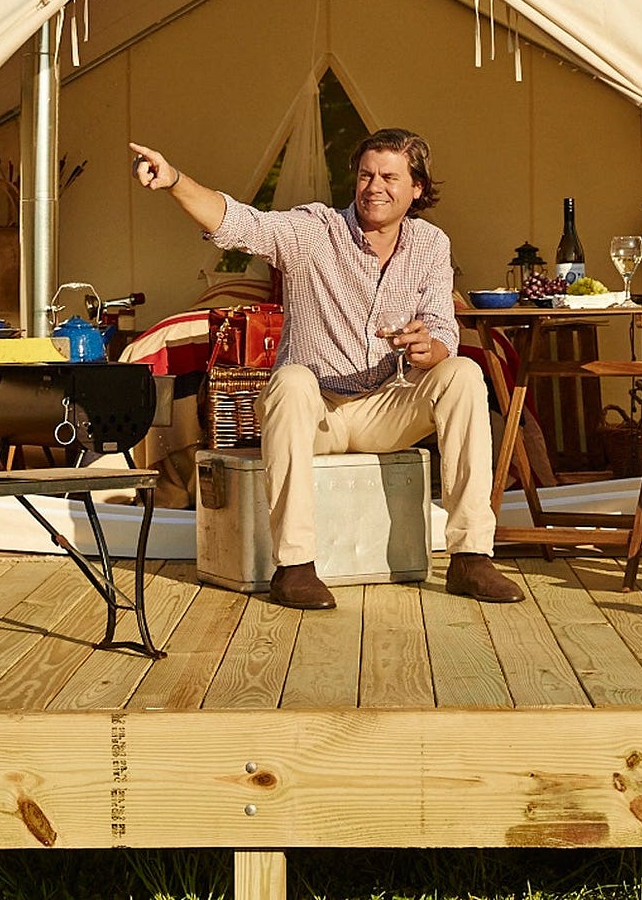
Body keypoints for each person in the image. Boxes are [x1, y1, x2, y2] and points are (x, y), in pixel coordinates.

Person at [128, 129, 523, 611]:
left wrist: (430, 348)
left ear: (417, 188)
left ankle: (471, 557)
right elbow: (238, 223)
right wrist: (173, 180)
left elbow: (443, 327)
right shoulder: (315, 231)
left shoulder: (431, 244)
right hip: (317, 412)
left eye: (389, 177)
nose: (374, 187)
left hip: (385, 406)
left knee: (462, 373)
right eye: (365, 175)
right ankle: (294, 568)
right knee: (292, 380)